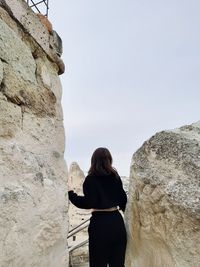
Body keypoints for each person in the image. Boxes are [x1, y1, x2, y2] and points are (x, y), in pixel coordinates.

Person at [68, 147, 127, 267]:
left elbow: (87, 202)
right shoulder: (115, 177)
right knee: (118, 263)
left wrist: (71, 193)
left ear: (93, 161)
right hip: (117, 223)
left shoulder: (90, 179)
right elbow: (123, 200)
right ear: (109, 160)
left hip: (99, 225)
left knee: (98, 263)